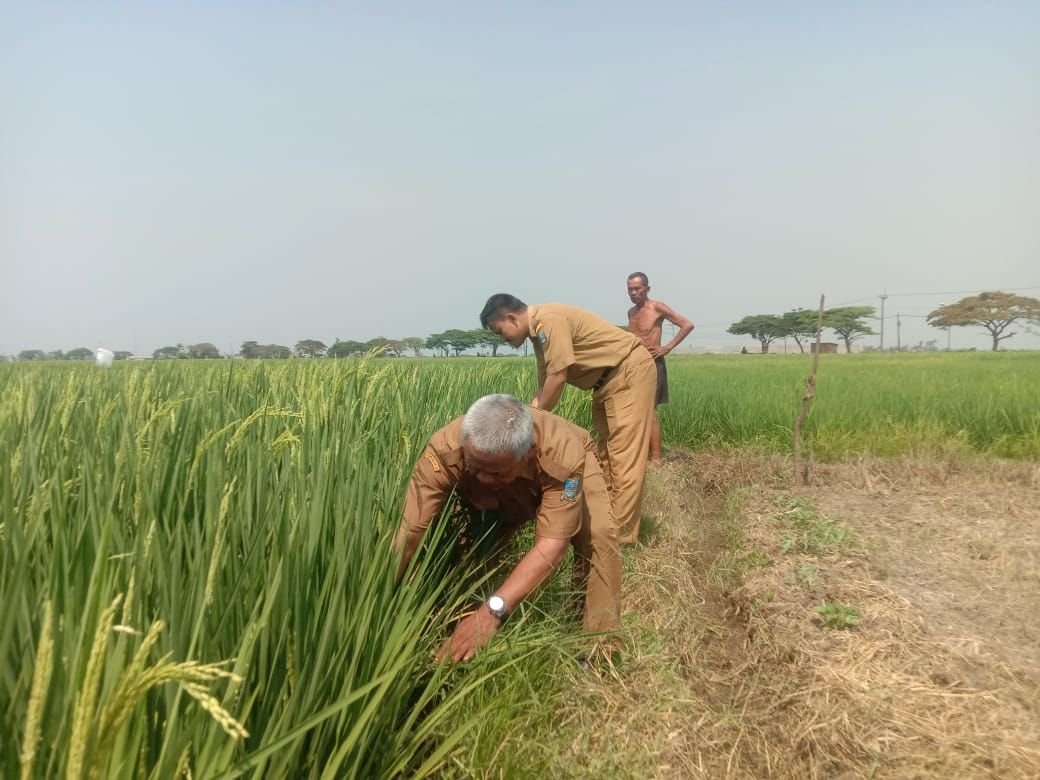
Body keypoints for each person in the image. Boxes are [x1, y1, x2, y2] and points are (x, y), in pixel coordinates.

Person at [393, 394, 621, 663]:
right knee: (471, 544)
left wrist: (492, 614)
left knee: (598, 537)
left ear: (530, 453)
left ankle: (596, 648)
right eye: (474, 466)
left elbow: (551, 547)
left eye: (496, 472)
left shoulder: (561, 456)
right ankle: (456, 621)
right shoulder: (443, 451)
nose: (483, 478)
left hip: (563, 465)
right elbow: (408, 534)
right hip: (509, 476)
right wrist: (380, 594)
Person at [479, 294, 656, 545]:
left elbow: (558, 377)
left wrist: (531, 424)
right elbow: (544, 388)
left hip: (627, 372)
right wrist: (523, 422)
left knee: (624, 459)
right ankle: (605, 525)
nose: (503, 339)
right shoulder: (539, 336)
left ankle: (620, 540)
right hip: (606, 382)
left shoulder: (548, 320)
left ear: (511, 318)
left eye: (500, 332)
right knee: (606, 457)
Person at [625, 272, 695, 465]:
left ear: (647, 289)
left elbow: (687, 325)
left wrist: (667, 347)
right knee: (635, 410)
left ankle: (656, 458)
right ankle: (641, 453)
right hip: (634, 365)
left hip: (653, 363)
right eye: (630, 288)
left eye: (637, 288)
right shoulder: (631, 312)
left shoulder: (657, 307)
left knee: (649, 410)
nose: (633, 292)